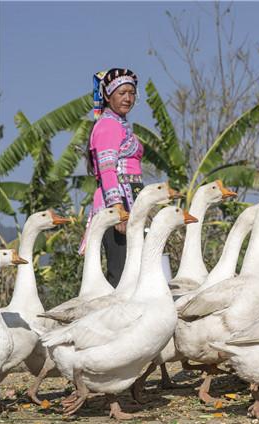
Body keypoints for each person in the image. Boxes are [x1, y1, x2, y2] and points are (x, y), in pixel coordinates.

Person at [80, 68, 144, 287]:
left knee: (134, 272)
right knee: (121, 274)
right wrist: (118, 210)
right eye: (121, 92)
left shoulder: (119, 125)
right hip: (116, 207)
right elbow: (108, 170)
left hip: (130, 204)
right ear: (107, 96)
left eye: (132, 93)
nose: (128, 98)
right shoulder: (108, 125)